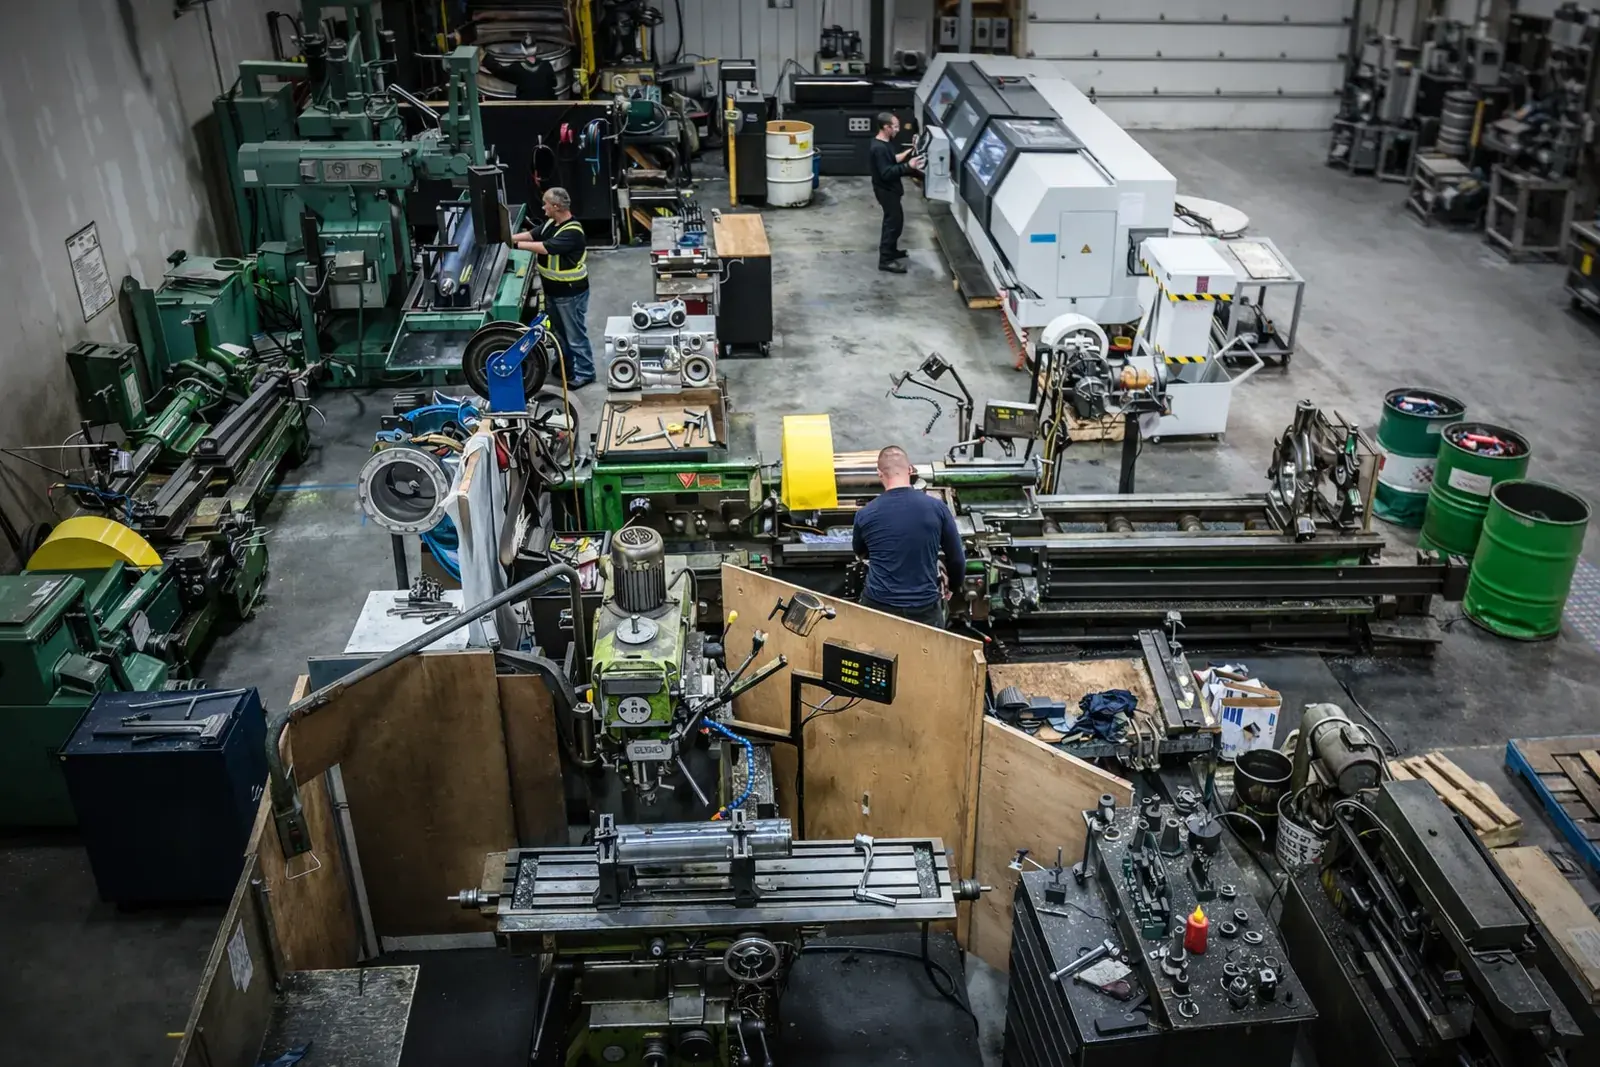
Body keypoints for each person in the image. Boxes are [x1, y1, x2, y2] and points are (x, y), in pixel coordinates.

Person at [851, 445, 965, 628]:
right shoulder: (937, 508)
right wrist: (953, 588)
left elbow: (861, 552)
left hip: (879, 605)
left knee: (876, 656)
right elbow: (957, 559)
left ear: (880, 474)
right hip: (924, 608)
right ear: (910, 470)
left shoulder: (865, 514)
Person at [512, 187, 594, 387]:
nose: (543, 207)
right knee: (559, 334)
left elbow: (546, 247)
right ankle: (567, 367)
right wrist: (508, 237)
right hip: (553, 291)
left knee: (574, 335)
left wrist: (515, 246)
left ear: (556, 206)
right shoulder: (552, 222)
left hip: (570, 292)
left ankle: (586, 372)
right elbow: (533, 235)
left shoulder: (572, 232)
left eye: (545, 204)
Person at [868, 112, 923, 274]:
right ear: (886, 127)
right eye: (896, 127)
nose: (898, 130)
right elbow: (886, 173)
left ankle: (891, 251)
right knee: (892, 225)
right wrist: (909, 167)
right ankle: (885, 260)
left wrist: (910, 151)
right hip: (886, 191)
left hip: (891, 190)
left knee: (895, 222)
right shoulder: (878, 148)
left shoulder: (884, 143)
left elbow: (892, 159)